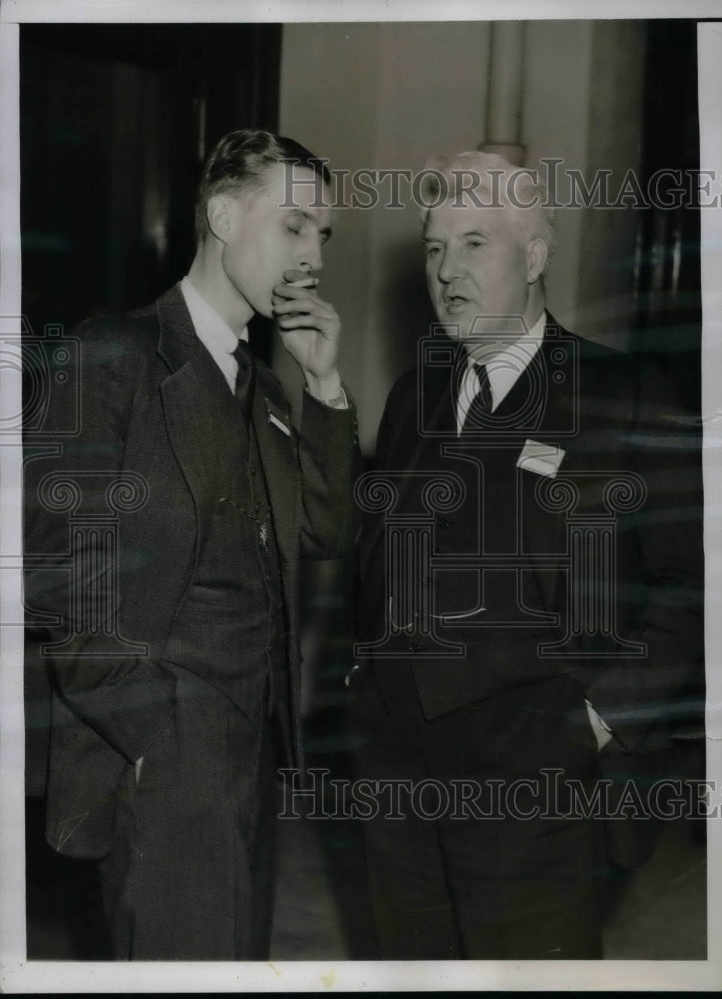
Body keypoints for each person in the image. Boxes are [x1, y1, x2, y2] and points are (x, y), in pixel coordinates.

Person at [349, 151, 703, 959]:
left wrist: (604, 716)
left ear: (534, 256)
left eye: (475, 244)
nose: (447, 271)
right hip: (397, 768)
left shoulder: (626, 394)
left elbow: (693, 580)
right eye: (437, 249)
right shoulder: (416, 395)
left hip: (541, 777)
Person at [23, 129, 357, 960]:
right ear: (221, 215)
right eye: (294, 226)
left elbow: (328, 528)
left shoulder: (265, 382)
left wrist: (324, 386)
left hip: (255, 750)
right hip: (162, 758)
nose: (313, 252)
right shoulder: (116, 355)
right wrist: (145, 737)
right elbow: (58, 571)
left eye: (324, 233)